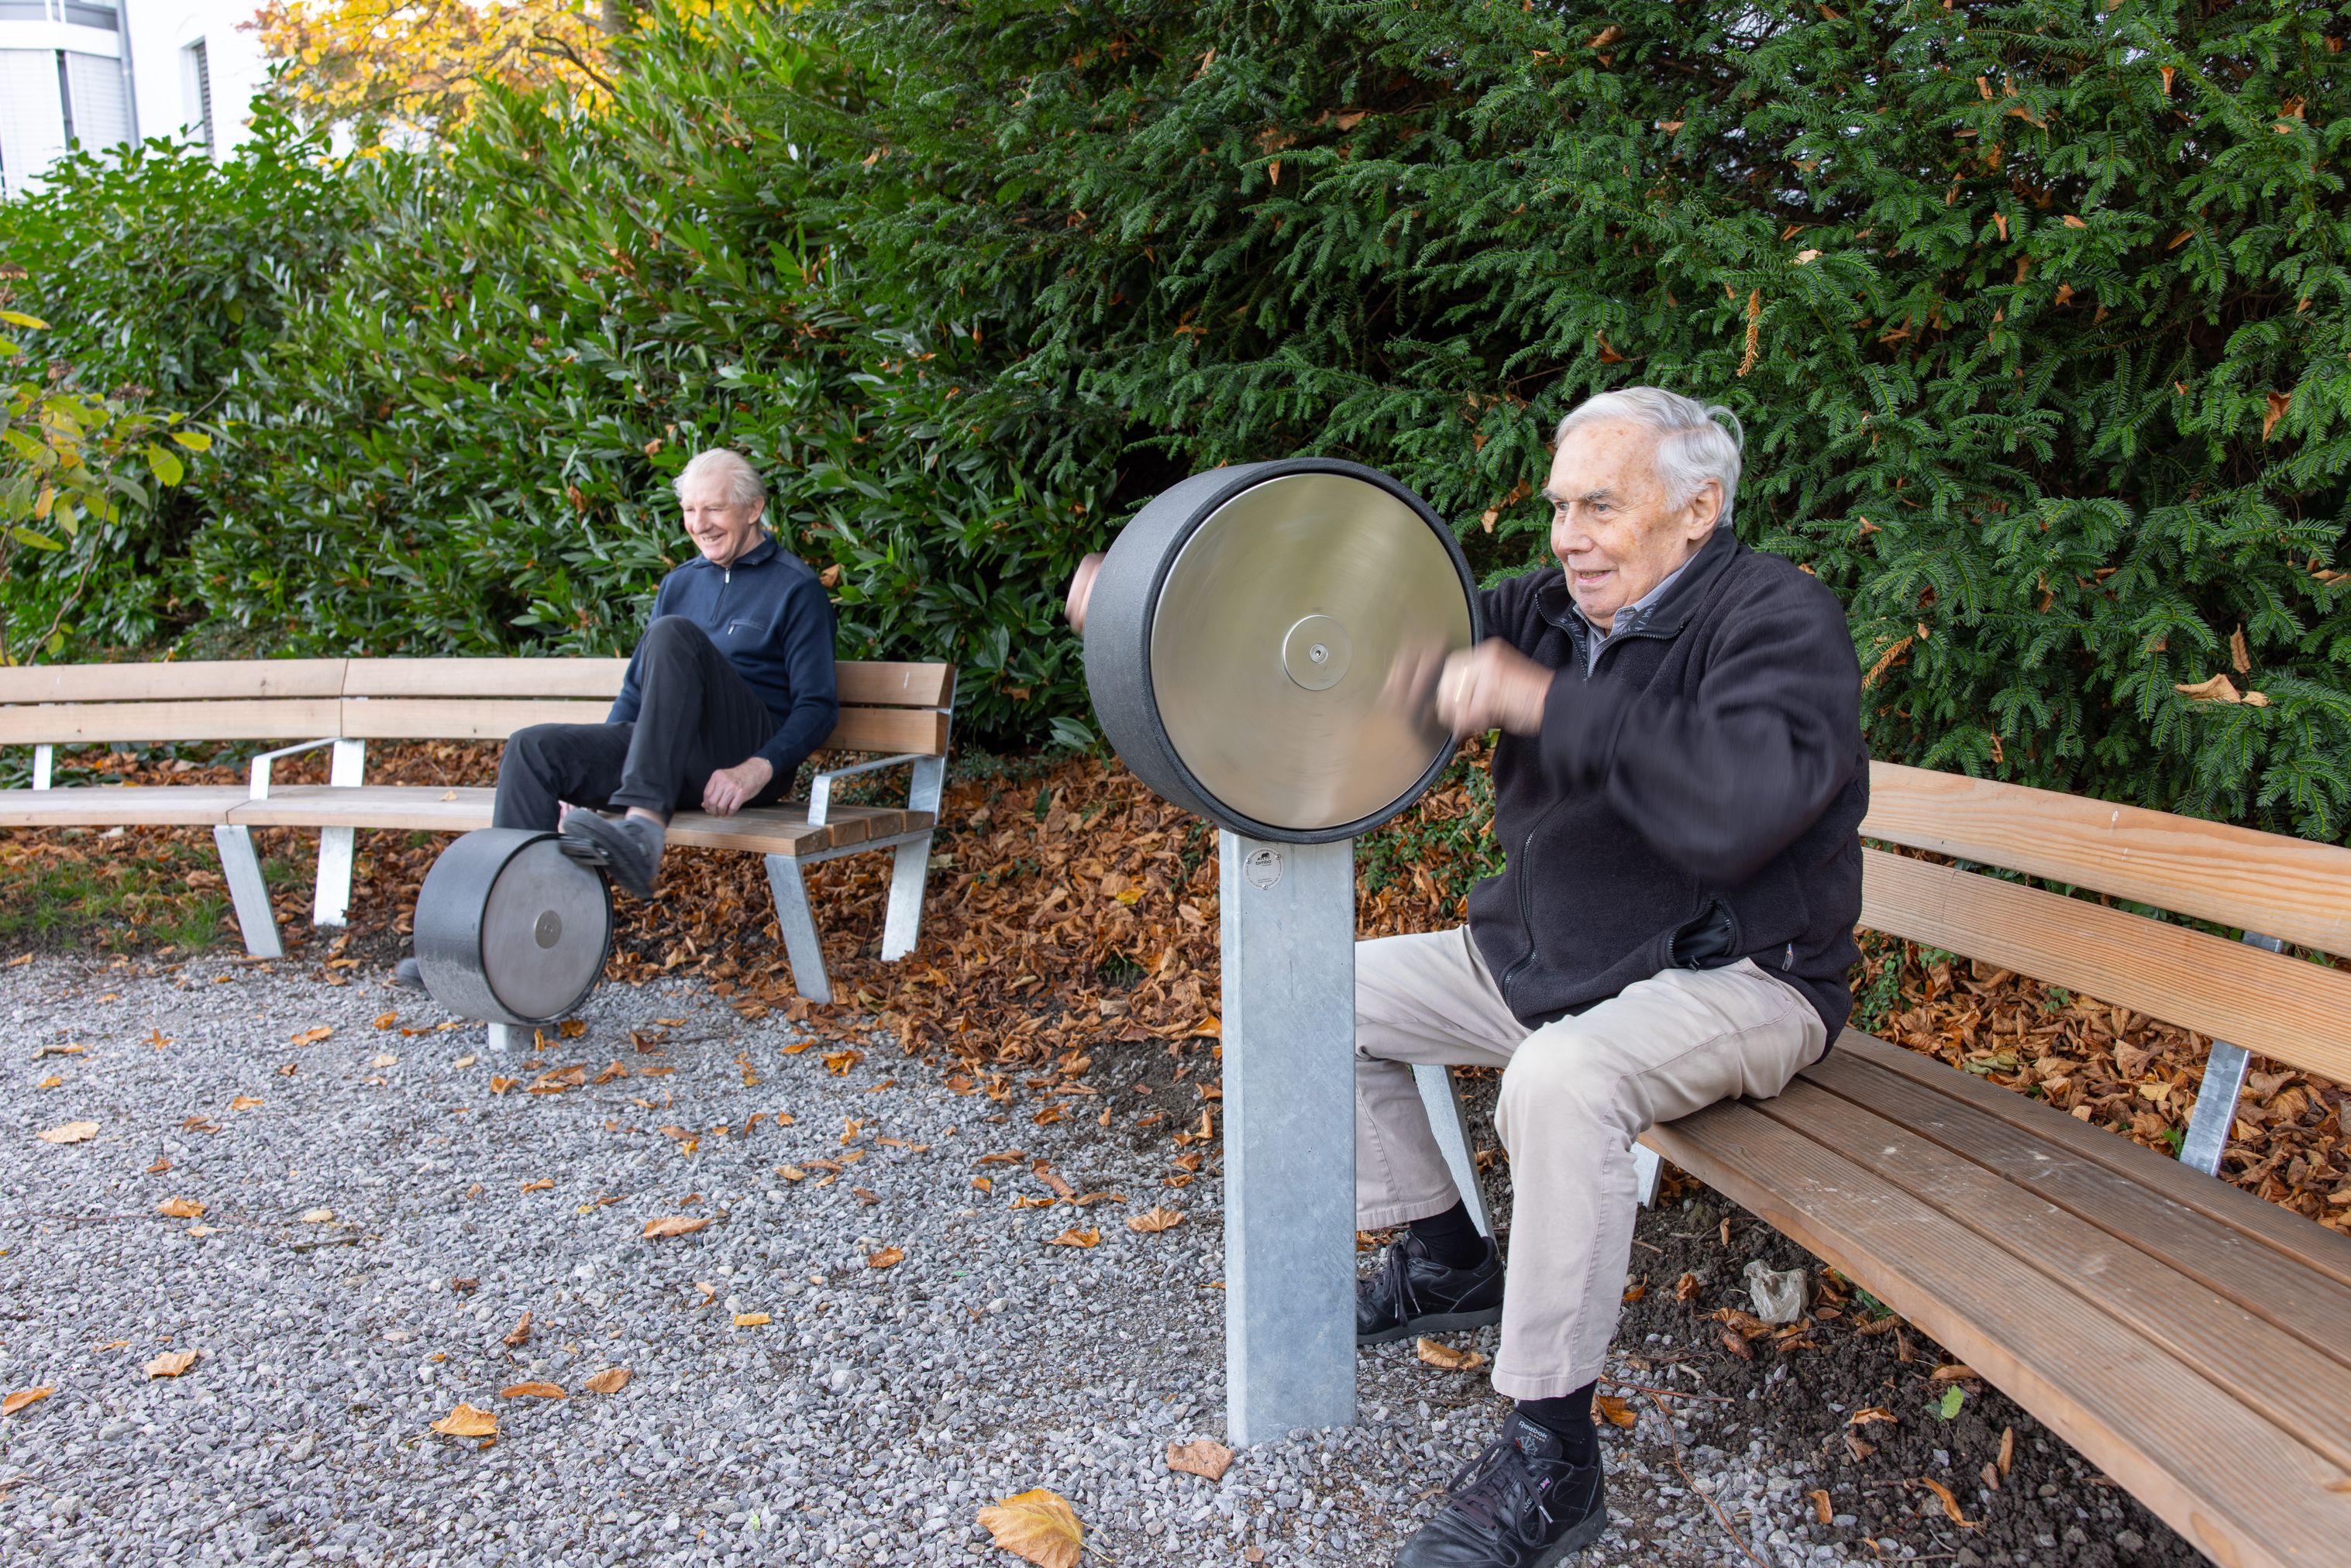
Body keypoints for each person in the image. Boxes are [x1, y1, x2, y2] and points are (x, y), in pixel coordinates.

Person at [1361, 387, 1867, 1567]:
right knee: (1307, 997)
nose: (1568, 538)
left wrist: (1546, 701)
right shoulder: (1543, 606)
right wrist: (1177, 601)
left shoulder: (1778, 620)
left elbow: (1737, 804)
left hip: (1741, 975)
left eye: (1600, 506)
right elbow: (1373, 629)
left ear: (1697, 509)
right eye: (1557, 507)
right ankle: (1444, 1258)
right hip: (1551, 958)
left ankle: (1552, 1451)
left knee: (1561, 1078)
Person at [394, 449, 837, 989]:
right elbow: (636, 693)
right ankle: (497, 947)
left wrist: (757, 768)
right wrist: (595, 777)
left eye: (715, 509)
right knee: (533, 751)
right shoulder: (680, 584)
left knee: (672, 635)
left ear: (754, 509)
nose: (699, 524)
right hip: (671, 757)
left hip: (741, 755)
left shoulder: (795, 588)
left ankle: (643, 832)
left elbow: (818, 707)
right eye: (689, 510)